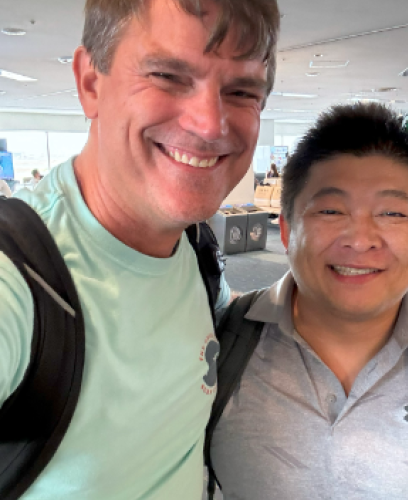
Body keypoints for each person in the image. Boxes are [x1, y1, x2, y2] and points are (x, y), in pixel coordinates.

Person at [0, 0, 279, 498]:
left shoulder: (195, 245)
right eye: (168, 76)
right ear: (91, 83)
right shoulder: (18, 276)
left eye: (240, 91)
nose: (210, 125)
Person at [210, 104, 408, 499]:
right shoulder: (216, 346)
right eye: (330, 210)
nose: (360, 240)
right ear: (286, 230)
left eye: (393, 213)